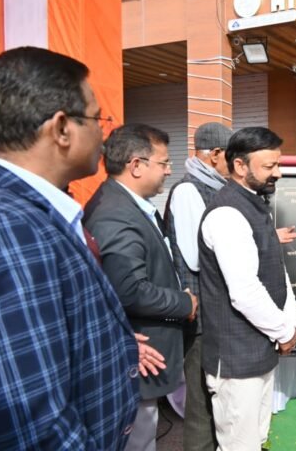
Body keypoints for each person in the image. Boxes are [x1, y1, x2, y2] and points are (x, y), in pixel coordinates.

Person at [0, 47, 139, 449]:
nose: (105, 134)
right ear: (61, 128)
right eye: (98, 119)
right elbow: (31, 416)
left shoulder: (33, 211)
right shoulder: (9, 225)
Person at [84, 123, 198, 451]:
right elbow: (129, 290)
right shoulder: (115, 214)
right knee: (138, 440)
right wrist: (184, 303)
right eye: (163, 163)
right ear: (136, 165)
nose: (169, 170)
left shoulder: (129, 205)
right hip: (139, 355)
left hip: (146, 353)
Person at [198, 126, 296, 451]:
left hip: (259, 349)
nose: (278, 173)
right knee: (239, 446)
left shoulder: (254, 203)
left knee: (257, 438)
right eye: (270, 166)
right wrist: (284, 330)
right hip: (236, 359)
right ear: (240, 166)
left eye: (277, 164)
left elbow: (274, 268)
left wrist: (288, 320)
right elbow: (244, 291)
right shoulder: (227, 213)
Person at [164, 122, 233, 451]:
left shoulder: (214, 187)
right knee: (200, 401)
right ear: (215, 154)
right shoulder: (188, 190)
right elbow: (195, 255)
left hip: (215, 309)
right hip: (200, 311)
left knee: (215, 395)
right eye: (231, 156)